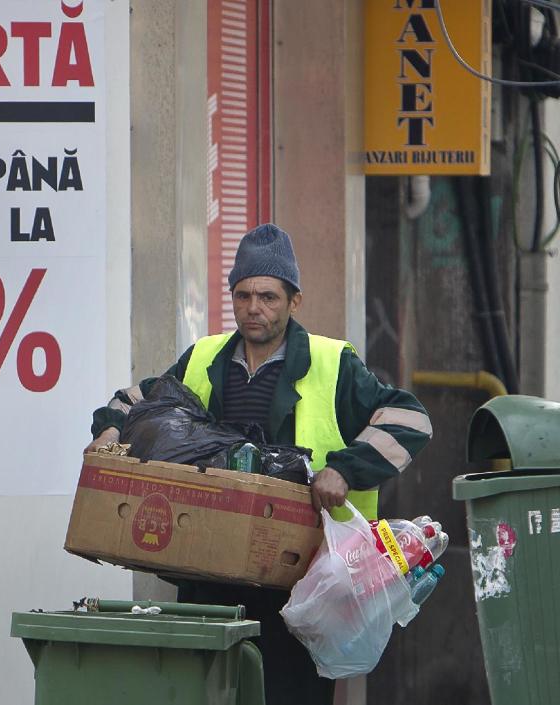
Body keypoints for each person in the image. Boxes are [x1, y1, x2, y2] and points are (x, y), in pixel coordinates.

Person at [85, 223, 432, 705]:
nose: (254, 308)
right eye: (244, 294)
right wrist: (108, 430)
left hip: (300, 588)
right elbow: (136, 401)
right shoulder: (204, 358)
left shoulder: (333, 364)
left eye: (269, 296)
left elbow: (410, 419)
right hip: (208, 579)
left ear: (295, 301)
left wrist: (347, 469)